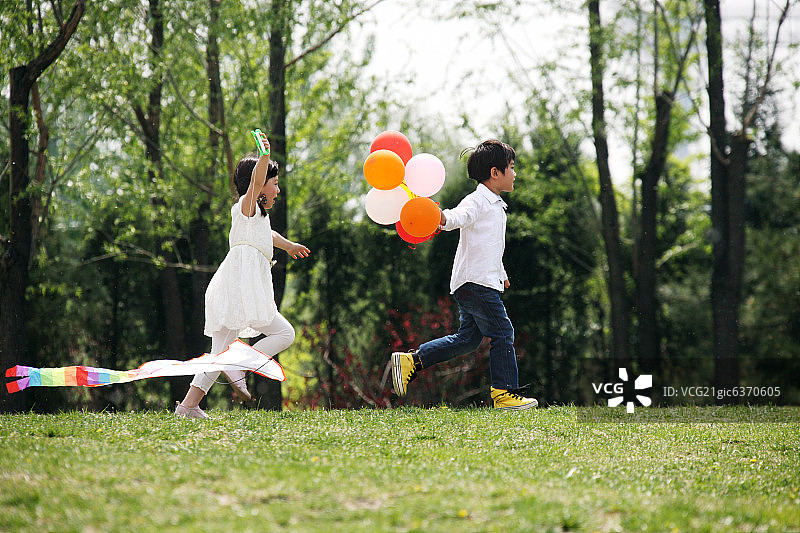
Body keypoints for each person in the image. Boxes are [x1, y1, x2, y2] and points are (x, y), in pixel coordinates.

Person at [391, 139, 537, 410]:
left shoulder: (495, 204)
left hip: (478, 282)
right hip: (475, 283)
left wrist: (500, 273)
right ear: (495, 173)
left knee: (468, 339)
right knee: (503, 332)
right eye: (512, 168)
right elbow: (458, 217)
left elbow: (491, 247)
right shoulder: (479, 200)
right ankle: (504, 393)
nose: (515, 173)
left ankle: (412, 360)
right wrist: (438, 217)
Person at [176, 136, 310, 419]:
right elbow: (255, 183)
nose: (277, 189)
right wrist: (264, 158)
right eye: (273, 183)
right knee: (285, 333)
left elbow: (269, 236)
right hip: (240, 284)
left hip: (235, 285)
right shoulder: (245, 207)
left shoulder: (258, 218)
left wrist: (289, 246)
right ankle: (238, 361)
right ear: (258, 185)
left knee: (218, 351)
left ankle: (187, 407)